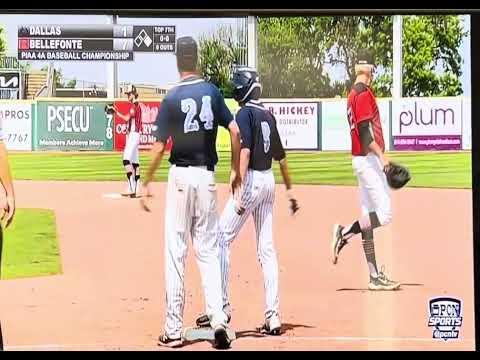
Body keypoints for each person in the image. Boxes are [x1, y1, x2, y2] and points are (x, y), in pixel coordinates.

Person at [141, 36, 242, 349]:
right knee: (209, 251)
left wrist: (145, 181)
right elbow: (236, 130)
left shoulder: (171, 98)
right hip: (206, 178)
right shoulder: (211, 91)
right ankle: (218, 320)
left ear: (177, 61)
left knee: (176, 251)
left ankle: (173, 329)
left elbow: (159, 147)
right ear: (196, 59)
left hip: (180, 177)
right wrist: (237, 169)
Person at [195, 67, 299, 335]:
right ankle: (273, 316)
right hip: (269, 182)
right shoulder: (267, 115)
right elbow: (282, 158)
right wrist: (290, 191)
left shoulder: (245, 113)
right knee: (267, 249)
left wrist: (238, 185)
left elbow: (245, 150)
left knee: (220, 238)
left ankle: (222, 308)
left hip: (252, 180)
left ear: (244, 88)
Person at [331, 49, 400, 291]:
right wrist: (382, 157)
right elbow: (364, 132)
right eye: (373, 67)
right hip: (368, 160)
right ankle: (345, 232)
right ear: (368, 68)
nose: (373, 72)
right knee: (385, 214)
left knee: (368, 218)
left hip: (361, 160)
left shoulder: (353, 94)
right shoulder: (362, 94)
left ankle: (373, 276)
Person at [110, 84, 142, 197]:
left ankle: (131, 186)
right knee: (135, 162)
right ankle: (137, 185)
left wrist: (116, 112)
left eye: (129, 94)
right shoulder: (137, 105)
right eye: (127, 94)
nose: (128, 95)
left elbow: (127, 118)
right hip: (135, 134)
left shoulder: (134, 106)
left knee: (126, 160)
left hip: (134, 135)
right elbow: (130, 121)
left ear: (134, 93)